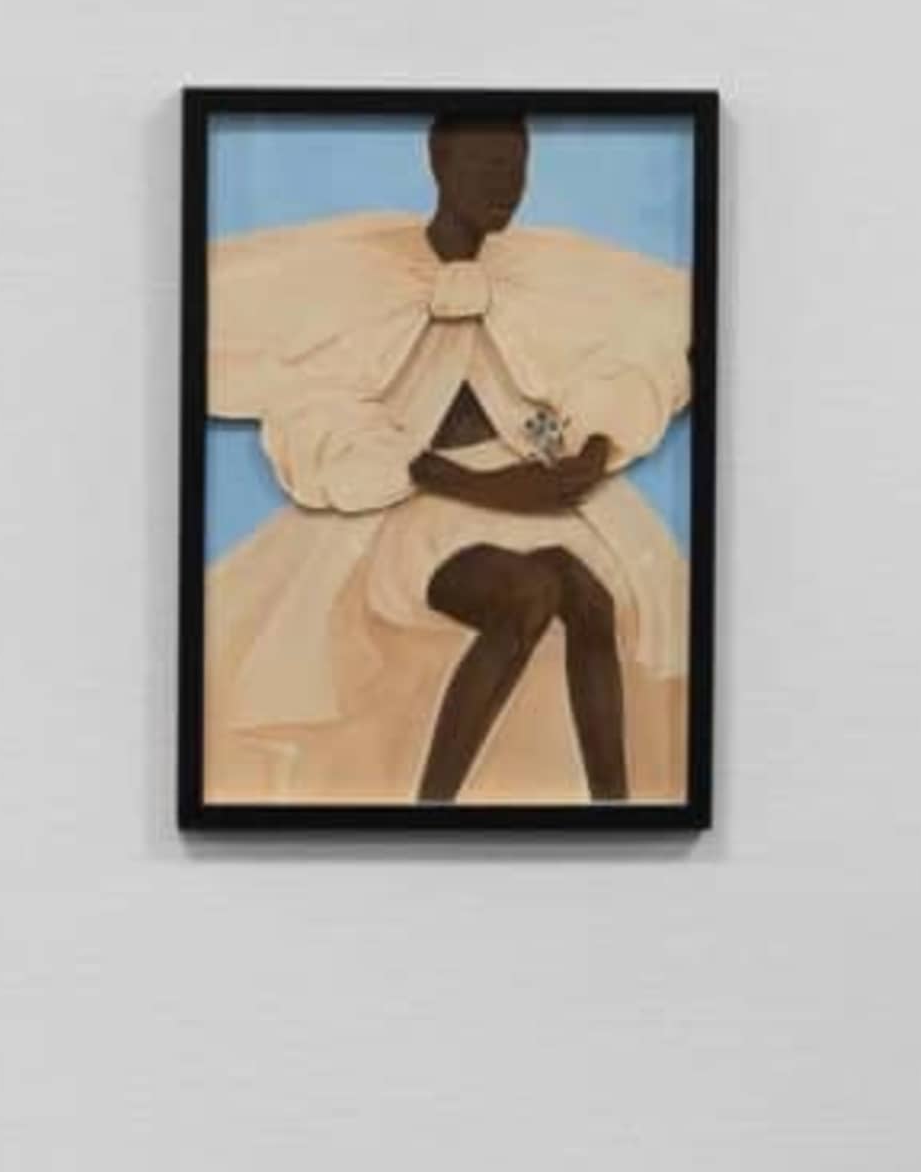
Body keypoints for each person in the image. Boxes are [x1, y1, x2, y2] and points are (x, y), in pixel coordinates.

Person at [200, 108, 692, 806]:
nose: (506, 183)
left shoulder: (540, 272)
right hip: (417, 502)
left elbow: (639, 352)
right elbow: (321, 414)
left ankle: (613, 804)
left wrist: (594, 446)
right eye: (486, 165)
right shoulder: (371, 282)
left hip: (524, 489)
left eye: (517, 166)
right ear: (439, 166)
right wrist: (491, 492)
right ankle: (434, 803)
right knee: (528, 595)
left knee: (591, 596)